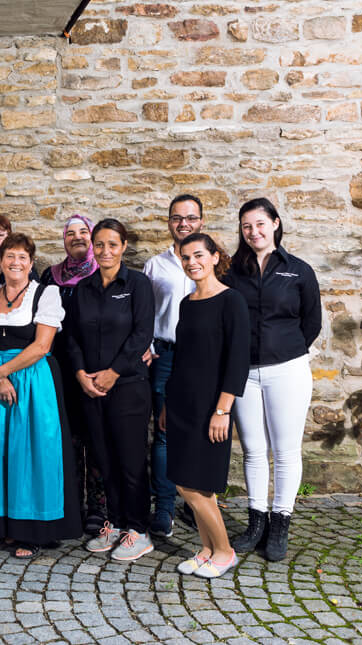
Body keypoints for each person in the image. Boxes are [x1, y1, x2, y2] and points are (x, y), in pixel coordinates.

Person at [223, 198, 321, 561]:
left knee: (285, 450)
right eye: (247, 226)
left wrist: (287, 350)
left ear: (276, 224)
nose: (254, 232)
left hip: (288, 369)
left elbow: (311, 322)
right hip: (244, 373)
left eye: (261, 224)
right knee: (252, 449)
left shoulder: (298, 271)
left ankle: (280, 522)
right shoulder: (233, 272)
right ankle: (256, 521)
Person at [0, 233, 82, 558]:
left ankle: (34, 529)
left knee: (35, 452)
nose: (15, 262)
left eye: (22, 257)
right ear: (1, 260)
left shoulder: (45, 294)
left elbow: (41, 346)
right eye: (10, 256)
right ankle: (7, 525)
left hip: (34, 380)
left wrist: (2, 372)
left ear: (31, 262)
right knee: (3, 450)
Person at [66, 218, 156, 562]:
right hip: (91, 389)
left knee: (130, 460)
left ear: (124, 247)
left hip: (128, 387)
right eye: (99, 244)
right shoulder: (83, 288)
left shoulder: (138, 284)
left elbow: (141, 334)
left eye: (112, 245)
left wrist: (113, 373)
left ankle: (139, 529)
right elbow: (71, 336)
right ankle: (116, 524)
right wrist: (81, 375)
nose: (105, 251)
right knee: (103, 459)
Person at [162, 233, 249, 578]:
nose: (191, 262)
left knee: (193, 485)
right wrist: (169, 402)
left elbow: (237, 361)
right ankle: (207, 549)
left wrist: (222, 410)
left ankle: (225, 552)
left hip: (211, 407)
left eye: (198, 255)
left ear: (215, 257)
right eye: (185, 257)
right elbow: (182, 358)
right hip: (182, 403)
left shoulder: (232, 301)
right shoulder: (187, 303)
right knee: (189, 483)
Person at [142, 195, 204, 538]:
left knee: (201, 430)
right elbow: (147, 312)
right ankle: (164, 507)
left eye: (191, 218)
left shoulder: (213, 261)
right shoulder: (156, 265)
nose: (184, 223)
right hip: (166, 355)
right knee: (164, 433)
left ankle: (198, 505)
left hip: (202, 358)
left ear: (201, 221)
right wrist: (149, 347)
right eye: (178, 218)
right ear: (169, 222)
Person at [40, 215, 106, 534]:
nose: (77, 237)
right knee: (66, 437)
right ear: (63, 239)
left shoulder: (102, 274)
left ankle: (98, 506)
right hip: (58, 368)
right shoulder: (50, 277)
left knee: (95, 436)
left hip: (93, 366)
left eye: (84, 232)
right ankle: (69, 504)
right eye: (70, 233)